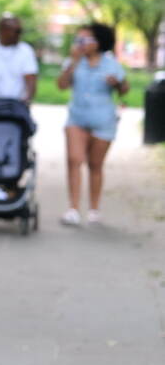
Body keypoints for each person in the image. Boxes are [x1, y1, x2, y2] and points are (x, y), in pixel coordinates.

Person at [56, 21, 129, 226]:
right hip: (76, 118)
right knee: (74, 160)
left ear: (99, 42)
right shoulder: (73, 62)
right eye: (78, 39)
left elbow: (125, 89)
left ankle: (94, 209)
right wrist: (73, 62)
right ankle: (73, 208)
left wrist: (118, 84)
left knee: (95, 165)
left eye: (85, 39)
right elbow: (61, 85)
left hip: (103, 121)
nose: (81, 43)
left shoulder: (111, 64)